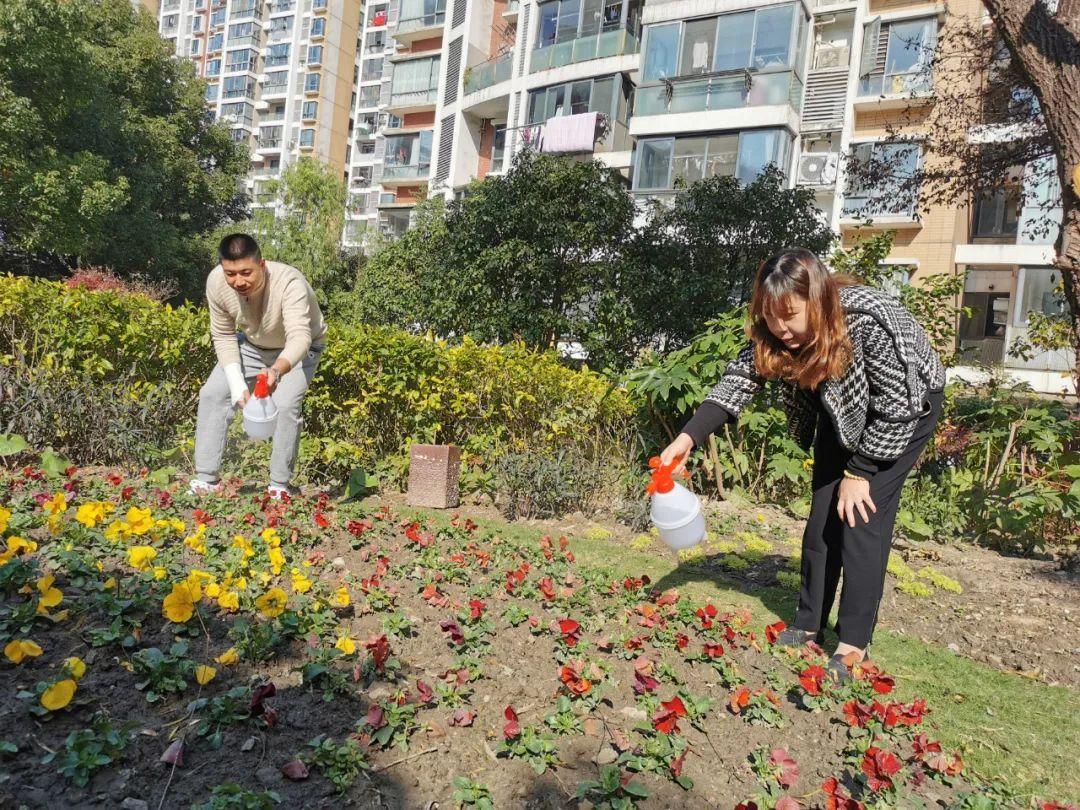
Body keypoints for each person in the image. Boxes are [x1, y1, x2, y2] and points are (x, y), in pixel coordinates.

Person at [659, 248, 944, 680]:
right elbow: (739, 379)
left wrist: (862, 472)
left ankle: (852, 644)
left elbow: (899, 404)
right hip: (842, 410)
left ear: (818, 300)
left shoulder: (868, 319)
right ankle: (809, 622)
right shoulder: (775, 330)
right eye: (771, 318)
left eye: (790, 316)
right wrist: (688, 437)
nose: (781, 329)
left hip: (903, 412)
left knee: (861, 521)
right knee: (822, 519)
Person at [189, 234, 327, 500]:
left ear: (261, 264)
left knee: (286, 405)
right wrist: (238, 386)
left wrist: (276, 370)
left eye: (246, 272)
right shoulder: (216, 282)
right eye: (230, 273)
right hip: (251, 346)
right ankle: (207, 480)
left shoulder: (289, 282)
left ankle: (279, 486)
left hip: (297, 350)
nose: (238, 281)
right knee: (213, 394)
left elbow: (300, 337)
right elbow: (223, 335)